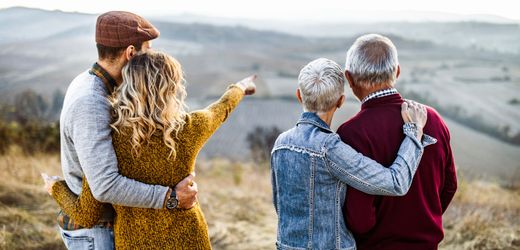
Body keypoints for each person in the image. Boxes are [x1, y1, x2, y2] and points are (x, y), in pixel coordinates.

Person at [46, 50, 257, 249]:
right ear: (172, 89)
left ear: (127, 87)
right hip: (189, 239)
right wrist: (240, 87)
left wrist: (55, 187)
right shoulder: (191, 128)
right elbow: (221, 108)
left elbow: (87, 215)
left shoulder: (110, 141)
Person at [41, 11, 197, 250]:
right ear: (131, 53)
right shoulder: (91, 102)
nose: (152, 57)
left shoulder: (92, 81)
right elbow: (105, 185)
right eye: (148, 49)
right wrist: (171, 198)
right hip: (96, 232)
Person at [271, 58, 436, 250]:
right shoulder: (331, 149)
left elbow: (281, 206)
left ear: (299, 95)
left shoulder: (280, 143)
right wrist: (414, 133)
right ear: (341, 101)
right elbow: (396, 183)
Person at [339, 34, 457, 249]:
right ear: (397, 71)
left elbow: (359, 220)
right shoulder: (433, 119)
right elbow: (449, 186)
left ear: (349, 78)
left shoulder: (352, 134)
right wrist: (424, 219)